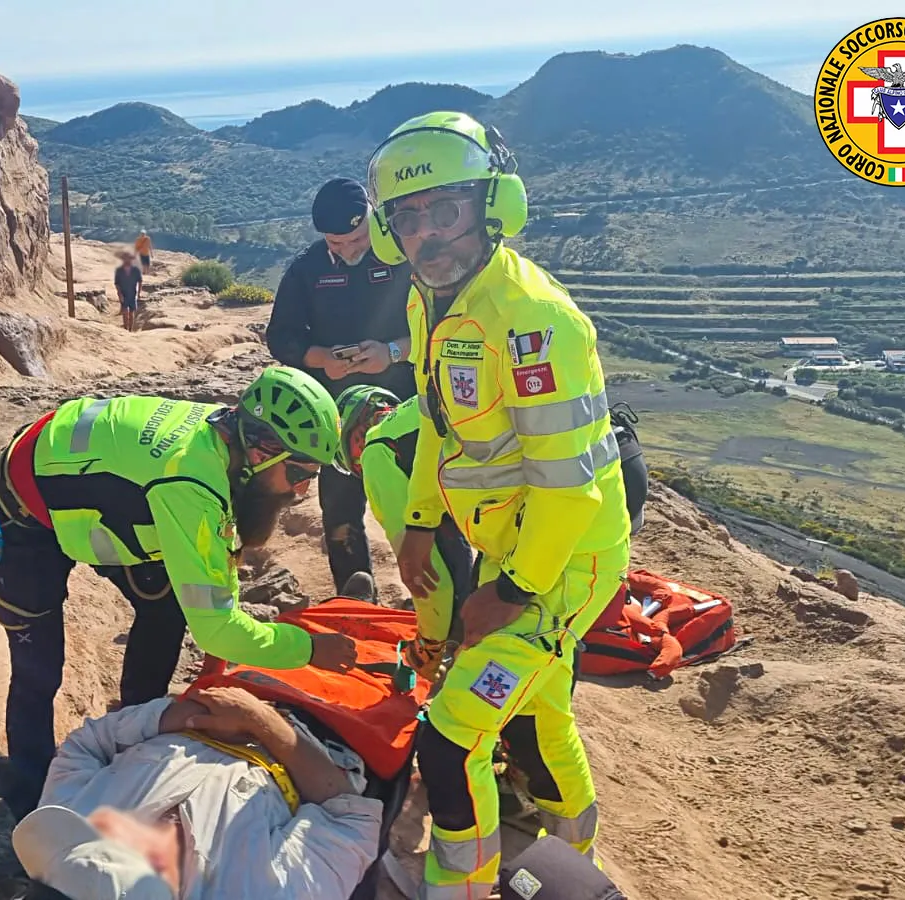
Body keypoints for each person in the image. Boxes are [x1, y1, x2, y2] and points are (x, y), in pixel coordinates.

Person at [366, 111, 631, 897]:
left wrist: (510, 592)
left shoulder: (534, 321)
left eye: (442, 210)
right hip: (514, 544)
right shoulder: (432, 302)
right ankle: (575, 851)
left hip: (563, 557)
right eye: (407, 218)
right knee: (541, 709)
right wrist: (419, 524)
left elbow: (568, 484)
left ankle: (462, 886)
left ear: (489, 206)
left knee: (449, 741)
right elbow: (440, 430)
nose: (426, 234)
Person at [0, 365, 358, 817]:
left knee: (165, 610)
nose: (300, 490)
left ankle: (135, 732)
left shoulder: (224, 439)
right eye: (299, 472)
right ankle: (30, 799)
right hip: (21, 505)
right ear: (263, 450)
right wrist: (309, 648)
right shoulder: (191, 483)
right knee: (39, 667)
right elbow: (216, 629)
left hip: (100, 489)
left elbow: (221, 558)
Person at [11, 685, 382, 900]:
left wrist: (185, 717)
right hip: (325, 733)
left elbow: (89, 743)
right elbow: (350, 819)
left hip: (223, 696)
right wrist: (263, 723)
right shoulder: (260, 890)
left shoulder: (69, 814)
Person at [265, 177, 416, 597]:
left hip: (406, 406)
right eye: (337, 243)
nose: (349, 251)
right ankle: (356, 598)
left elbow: (447, 326)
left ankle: (442, 606)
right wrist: (322, 359)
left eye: (357, 239)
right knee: (339, 509)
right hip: (338, 414)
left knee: (420, 506)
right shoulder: (307, 269)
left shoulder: (407, 255)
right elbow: (281, 337)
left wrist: (392, 351)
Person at [332, 386, 473, 669]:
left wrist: (429, 646)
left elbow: (424, 572)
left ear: (353, 436)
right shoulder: (415, 409)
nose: (360, 468)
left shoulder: (376, 450)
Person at [114, 249, 142, 332]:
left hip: (133, 293)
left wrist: (139, 293)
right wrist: (119, 293)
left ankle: (130, 329)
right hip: (123, 293)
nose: (127, 260)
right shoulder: (119, 270)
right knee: (125, 312)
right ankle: (125, 329)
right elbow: (116, 283)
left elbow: (140, 281)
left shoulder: (136, 270)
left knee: (131, 313)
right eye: (125, 258)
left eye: (129, 258)